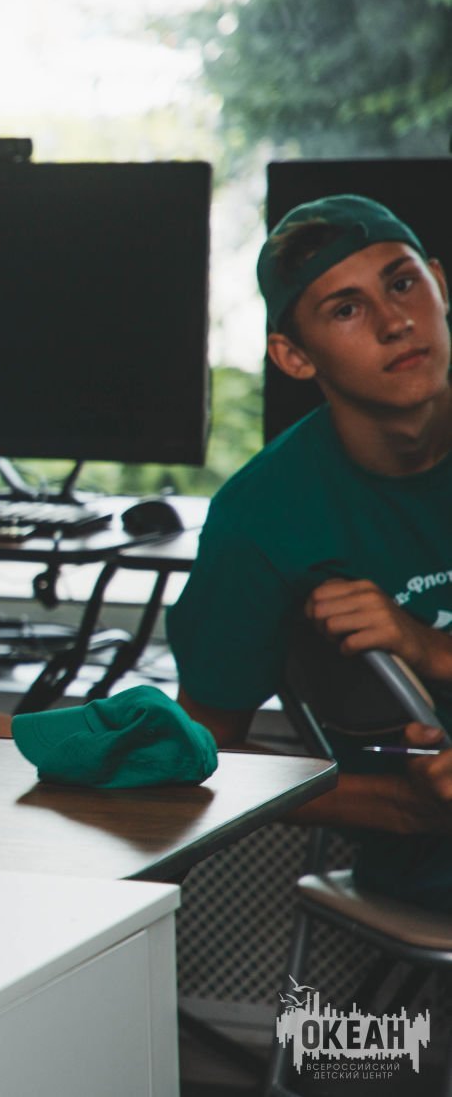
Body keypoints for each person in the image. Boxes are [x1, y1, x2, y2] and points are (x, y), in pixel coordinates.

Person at [167, 194, 452, 911]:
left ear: (440, 284)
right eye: (346, 309)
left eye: (403, 282)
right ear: (294, 356)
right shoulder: (263, 516)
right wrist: (401, 804)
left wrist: (430, 649)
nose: (394, 321)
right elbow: (202, 753)